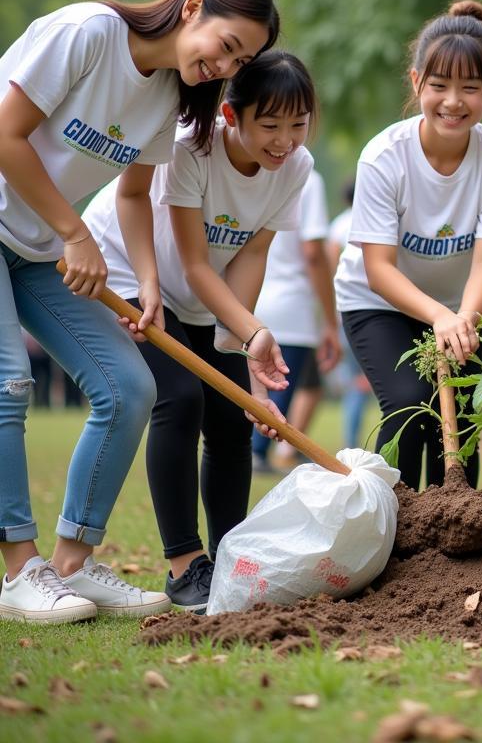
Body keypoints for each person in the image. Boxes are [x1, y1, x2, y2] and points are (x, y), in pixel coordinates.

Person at [0, 0, 279, 624]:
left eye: (240, 60)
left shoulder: (166, 98)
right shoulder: (87, 33)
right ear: (193, 8)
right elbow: (5, 133)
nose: (224, 65)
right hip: (48, 236)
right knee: (9, 383)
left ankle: (72, 562)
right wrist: (73, 231)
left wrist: (148, 285)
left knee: (131, 389)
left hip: (38, 249)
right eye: (227, 44)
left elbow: (132, 193)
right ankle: (19, 569)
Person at [84, 50, 315, 613]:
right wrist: (254, 331)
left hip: (201, 295)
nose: (285, 140)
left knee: (236, 418)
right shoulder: (192, 148)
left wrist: (245, 343)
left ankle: (230, 559)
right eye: (270, 124)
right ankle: (186, 567)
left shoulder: (297, 167)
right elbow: (194, 263)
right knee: (181, 398)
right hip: (129, 273)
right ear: (232, 117)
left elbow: (250, 256)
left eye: (298, 124)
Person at [338, 0, 482, 489]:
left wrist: (461, 318)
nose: (453, 101)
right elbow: (378, 269)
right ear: (416, 82)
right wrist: (438, 317)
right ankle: (394, 534)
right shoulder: (384, 158)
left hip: (461, 306)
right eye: (439, 86)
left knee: (462, 423)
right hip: (378, 301)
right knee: (409, 406)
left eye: (470, 87)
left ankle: (458, 547)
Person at [252, 167, 341, 473]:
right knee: (280, 384)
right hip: (292, 304)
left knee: (258, 382)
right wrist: (330, 320)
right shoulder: (308, 179)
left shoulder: (251, 169)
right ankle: (257, 451)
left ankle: (256, 450)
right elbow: (313, 252)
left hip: (250, 297)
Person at [326, 180, 375, 448]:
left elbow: (330, 270)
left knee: (357, 383)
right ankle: (356, 443)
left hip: (345, 312)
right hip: (375, 311)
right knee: (365, 383)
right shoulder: (377, 218)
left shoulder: (338, 226)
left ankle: (352, 442)